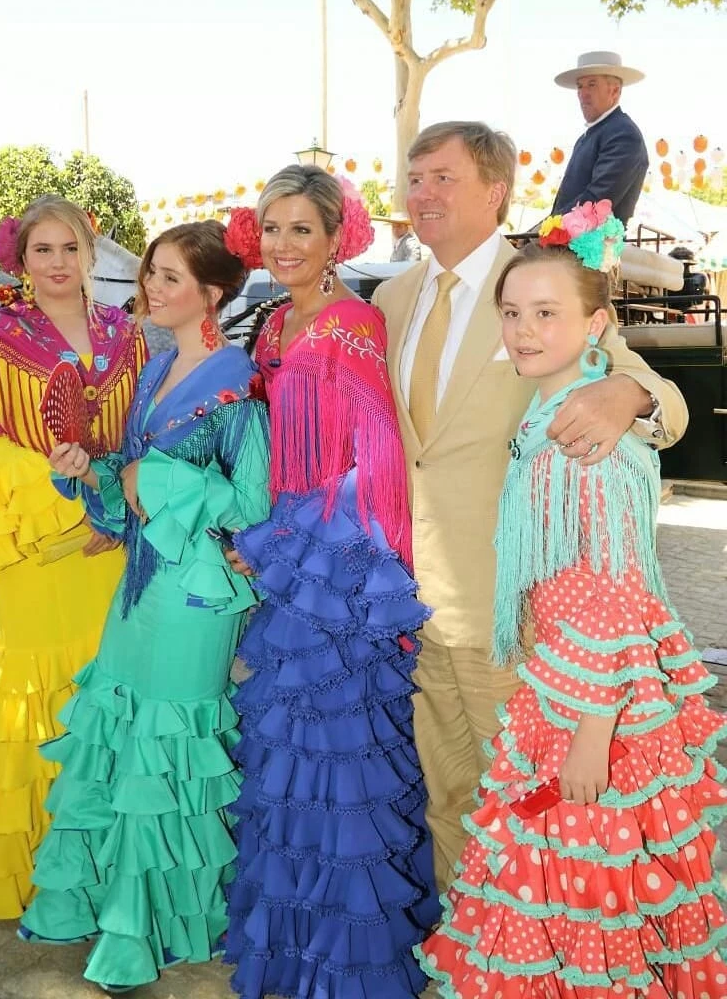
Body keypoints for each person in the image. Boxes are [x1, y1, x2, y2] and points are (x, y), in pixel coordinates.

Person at [415, 203, 727, 996]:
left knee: (579, 892)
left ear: (597, 326)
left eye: (546, 313)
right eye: (512, 313)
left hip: (591, 710)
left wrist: (592, 732)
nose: (523, 330)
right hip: (560, 688)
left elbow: (615, 595)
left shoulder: (584, 433)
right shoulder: (550, 407)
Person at [371, 120, 689, 895]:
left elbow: (669, 408)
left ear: (495, 191)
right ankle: (465, 950)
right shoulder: (389, 295)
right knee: (446, 804)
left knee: (530, 816)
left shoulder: (541, 284)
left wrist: (628, 393)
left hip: (514, 625)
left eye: (443, 178)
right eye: (415, 179)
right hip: (413, 611)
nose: (423, 194)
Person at [16, 221, 271, 993]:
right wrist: (90, 470)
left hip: (196, 593)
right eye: (149, 275)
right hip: (140, 583)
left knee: (172, 743)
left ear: (212, 294)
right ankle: (109, 907)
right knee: (124, 733)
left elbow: (256, 503)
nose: (149, 290)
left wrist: (155, 482)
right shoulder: (159, 368)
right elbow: (129, 486)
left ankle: (162, 921)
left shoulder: (237, 380)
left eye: (168, 278)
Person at [222, 166, 438, 999]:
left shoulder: (350, 323)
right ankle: (298, 942)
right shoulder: (275, 323)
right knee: (288, 754)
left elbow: (371, 459)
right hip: (287, 566)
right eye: (271, 229)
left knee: (342, 758)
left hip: (335, 571)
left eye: (301, 230)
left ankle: (350, 962)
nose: (282, 245)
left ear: (337, 237)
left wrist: (287, 543)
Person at [0, 195, 146, 919]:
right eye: (42, 251)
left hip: (108, 548)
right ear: (20, 262)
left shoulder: (125, 333)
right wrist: (73, 510)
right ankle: (42, 881)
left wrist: (115, 514)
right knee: (39, 702)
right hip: (36, 546)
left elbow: (138, 438)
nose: (57, 263)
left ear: (90, 253)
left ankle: (108, 874)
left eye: (70, 248)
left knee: (106, 694)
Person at [552, 50, 649, 226]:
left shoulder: (623, 135)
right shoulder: (589, 136)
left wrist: (538, 235)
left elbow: (594, 202)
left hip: (594, 250)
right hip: (569, 245)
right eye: (580, 86)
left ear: (615, 91)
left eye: (592, 84)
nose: (583, 93)